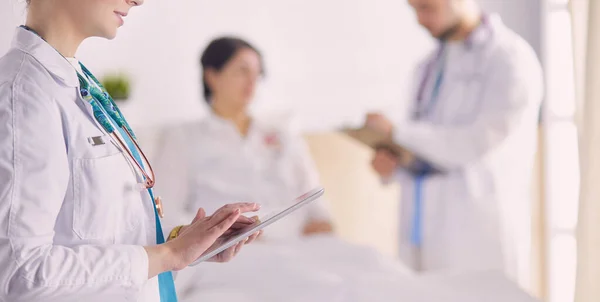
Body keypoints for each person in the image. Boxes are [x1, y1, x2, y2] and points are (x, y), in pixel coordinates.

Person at [0, 1, 262, 301]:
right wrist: (167, 255)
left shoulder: (74, 82)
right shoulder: (23, 95)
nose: (138, 0)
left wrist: (183, 244)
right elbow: (20, 274)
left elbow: (98, 236)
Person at [365, 0, 543, 280]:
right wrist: (393, 164)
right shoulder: (427, 67)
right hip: (422, 231)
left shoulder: (509, 58)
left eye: (426, 7)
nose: (419, 19)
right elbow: (424, 148)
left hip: (476, 232)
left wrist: (397, 132)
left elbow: (473, 144)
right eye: (414, 9)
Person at [153, 37, 333, 241]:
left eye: (257, 73)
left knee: (368, 260)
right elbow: (166, 212)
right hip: (231, 249)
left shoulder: (282, 135)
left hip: (300, 242)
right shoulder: (182, 138)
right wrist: (215, 237)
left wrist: (322, 221)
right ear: (212, 76)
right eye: (242, 71)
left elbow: (313, 195)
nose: (252, 81)